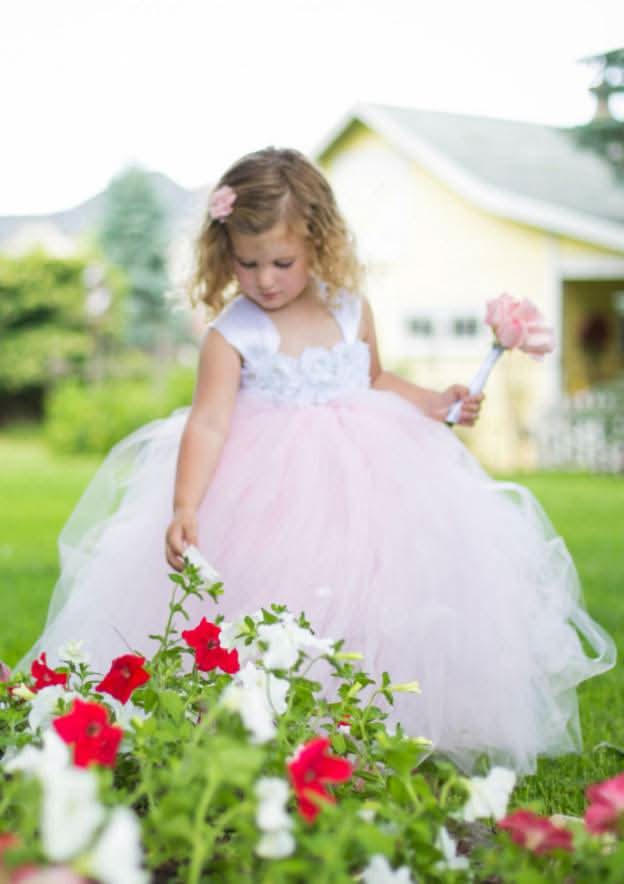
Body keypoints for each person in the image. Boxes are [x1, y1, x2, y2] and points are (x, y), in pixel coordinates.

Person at [17, 147, 615, 776]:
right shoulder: (232, 332)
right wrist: (186, 505)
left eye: (282, 262)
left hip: (371, 481)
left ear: (318, 243)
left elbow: (376, 379)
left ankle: (371, 729)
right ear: (225, 254)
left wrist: (436, 402)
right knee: (281, 603)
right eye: (247, 264)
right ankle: (273, 728)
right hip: (270, 492)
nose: (265, 279)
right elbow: (211, 422)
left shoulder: (351, 309)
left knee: (375, 598)